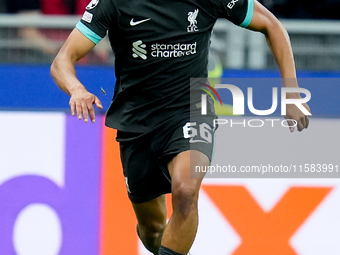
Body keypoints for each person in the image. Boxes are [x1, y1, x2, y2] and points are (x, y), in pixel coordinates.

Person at [50, 0, 311, 254]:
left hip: (191, 108)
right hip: (136, 122)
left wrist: (291, 93)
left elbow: (271, 25)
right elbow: (62, 61)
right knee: (152, 230)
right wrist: (77, 89)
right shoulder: (113, 4)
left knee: (186, 191)